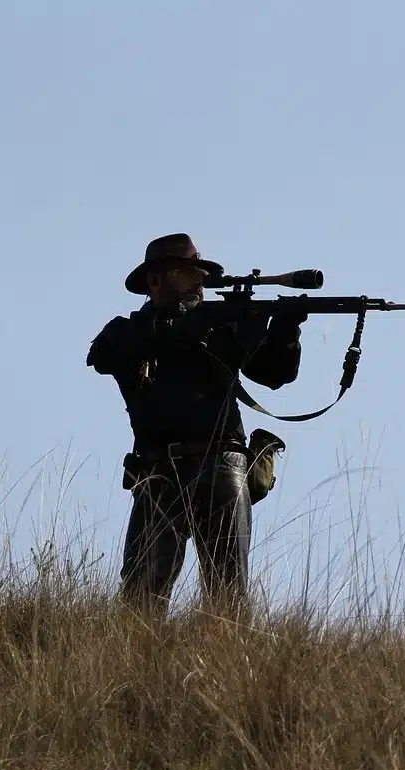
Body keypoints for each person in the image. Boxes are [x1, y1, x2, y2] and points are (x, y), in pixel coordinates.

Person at [86, 233, 308, 618]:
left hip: (221, 464)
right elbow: (103, 354)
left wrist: (285, 331)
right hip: (157, 471)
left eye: (199, 274)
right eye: (187, 273)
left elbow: (274, 374)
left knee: (228, 596)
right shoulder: (130, 331)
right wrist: (187, 328)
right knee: (141, 599)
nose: (198, 282)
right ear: (155, 281)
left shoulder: (220, 328)